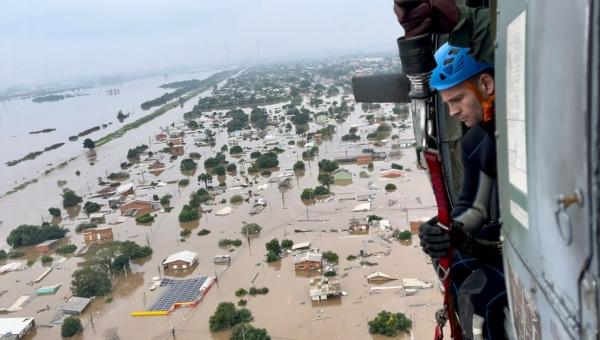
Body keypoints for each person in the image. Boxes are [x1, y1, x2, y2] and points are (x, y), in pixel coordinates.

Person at [393, 1, 507, 339]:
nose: (454, 112)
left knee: (486, 298)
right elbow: (474, 208)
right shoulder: (477, 142)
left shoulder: (531, 133)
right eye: (447, 105)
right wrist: (445, 229)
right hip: (514, 239)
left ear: (486, 86)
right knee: (459, 271)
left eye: (457, 99)